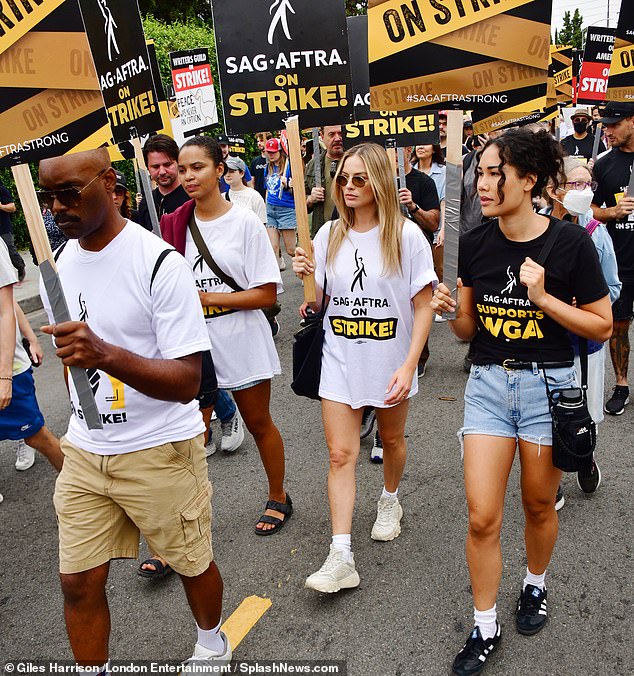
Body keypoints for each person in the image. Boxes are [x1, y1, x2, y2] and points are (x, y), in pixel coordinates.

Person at [38, 148, 229, 671]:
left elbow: (188, 381)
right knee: (77, 580)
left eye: (69, 193)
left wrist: (104, 354)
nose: (58, 207)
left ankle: (212, 641)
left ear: (111, 184)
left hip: (160, 447)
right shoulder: (55, 269)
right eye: (48, 196)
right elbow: (69, 361)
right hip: (86, 449)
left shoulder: (160, 263)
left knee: (192, 563)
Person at [431, 128, 612, 675]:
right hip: (487, 385)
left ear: (528, 180)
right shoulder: (476, 243)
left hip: (548, 389)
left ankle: (534, 585)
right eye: (480, 173)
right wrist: (448, 311)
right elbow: (466, 331)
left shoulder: (571, 243)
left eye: (494, 174)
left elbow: (602, 325)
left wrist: (543, 298)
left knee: (537, 505)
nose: (482, 184)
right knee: (483, 516)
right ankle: (484, 625)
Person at [293, 143, 436, 593]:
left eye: (359, 179)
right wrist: (305, 275)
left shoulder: (406, 235)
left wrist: (410, 363)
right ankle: (341, 555)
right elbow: (316, 304)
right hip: (339, 359)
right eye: (343, 179)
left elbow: (424, 303)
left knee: (391, 439)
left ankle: (390, 498)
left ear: (378, 182)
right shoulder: (328, 235)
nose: (349, 187)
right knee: (340, 454)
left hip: (391, 360)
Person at [161, 136, 292, 536]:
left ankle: (278, 496)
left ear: (220, 169)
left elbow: (266, 293)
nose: (187, 176)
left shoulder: (245, 222)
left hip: (241, 337)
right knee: (189, 437)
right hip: (194, 345)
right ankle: (183, 523)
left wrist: (206, 298)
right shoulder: (174, 223)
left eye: (197, 167)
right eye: (182, 169)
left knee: (257, 421)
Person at [543, 157, 621, 503]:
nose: (583, 192)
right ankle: (552, 477)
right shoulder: (536, 228)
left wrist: (587, 303)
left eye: (587, 185)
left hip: (585, 345)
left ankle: (584, 453)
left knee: (583, 409)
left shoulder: (596, 233)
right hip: (545, 341)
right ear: (553, 190)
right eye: (574, 185)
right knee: (547, 410)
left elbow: (613, 287)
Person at [0, 238, 63, 482]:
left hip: (9, 369)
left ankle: (89, 491)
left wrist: (4, 376)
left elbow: (7, 307)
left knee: (35, 436)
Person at [591, 102, 634, 416]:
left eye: (614, 124)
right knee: (618, 325)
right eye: (605, 125)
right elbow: (586, 208)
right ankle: (621, 385)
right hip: (621, 260)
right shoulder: (604, 164)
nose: (607, 130)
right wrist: (611, 212)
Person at [137, 134, 189, 232]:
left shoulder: (193, 196)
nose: (162, 172)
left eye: (167, 165)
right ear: (148, 168)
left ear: (178, 162)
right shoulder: (146, 204)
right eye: (155, 167)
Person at [305, 125, 345, 236]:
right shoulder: (313, 165)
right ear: (322, 136)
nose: (337, 138)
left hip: (353, 231)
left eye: (340, 133)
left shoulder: (357, 161)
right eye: (331, 134)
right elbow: (300, 204)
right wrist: (310, 199)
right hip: (324, 233)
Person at [264, 137, 296, 268]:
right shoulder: (268, 167)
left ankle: (310, 267)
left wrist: (288, 185)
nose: (270, 155)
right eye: (268, 152)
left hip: (287, 210)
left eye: (273, 152)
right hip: (271, 209)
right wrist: (266, 206)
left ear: (280, 151)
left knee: (291, 250)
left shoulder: (290, 167)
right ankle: (276, 284)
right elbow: (267, 189)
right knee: (272, 248)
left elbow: (299, 192)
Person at [0, 180, 25, 282]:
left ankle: (20, 266)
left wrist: (1, 206)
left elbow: (12, 207)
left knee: (11, 251)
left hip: (3, 227)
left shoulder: (1, 189)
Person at [250, 132, 272, 200]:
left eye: (261, 141)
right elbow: (252, 181)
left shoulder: (273, 160)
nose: (259, 143)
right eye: (258, 141)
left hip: (271, 196)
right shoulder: (255, 161)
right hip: (258, 196)